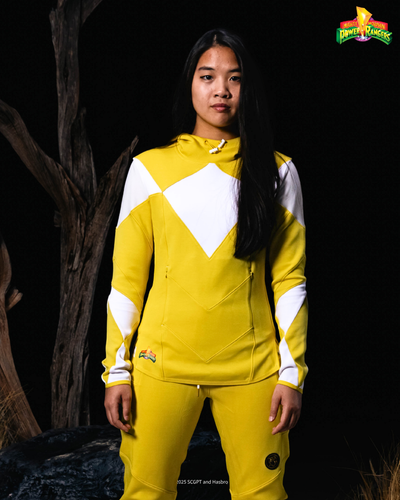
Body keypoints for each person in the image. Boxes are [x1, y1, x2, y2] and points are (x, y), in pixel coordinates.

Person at [102, 28, 307, 500]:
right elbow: (126, 281)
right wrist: (117, 370)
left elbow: (290, 280)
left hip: (254, 371)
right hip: (160, 367)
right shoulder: (149, 169)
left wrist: (292, 373)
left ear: (247, 88)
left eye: (234, 78)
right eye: (207, 76)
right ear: (189, 84)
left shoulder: (278, 172)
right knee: (145, 493)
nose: (221, 90)